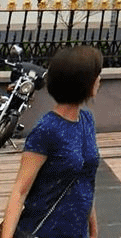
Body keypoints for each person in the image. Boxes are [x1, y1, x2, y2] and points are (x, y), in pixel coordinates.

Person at [0, 45, 102, 238]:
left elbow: (86, 181)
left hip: (78, 232)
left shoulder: (87, 120)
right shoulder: (47, 129)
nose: (99, 80)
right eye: (96, 75)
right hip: (44, 231)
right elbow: (19, 191)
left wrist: (93, 231)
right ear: (83, 81)